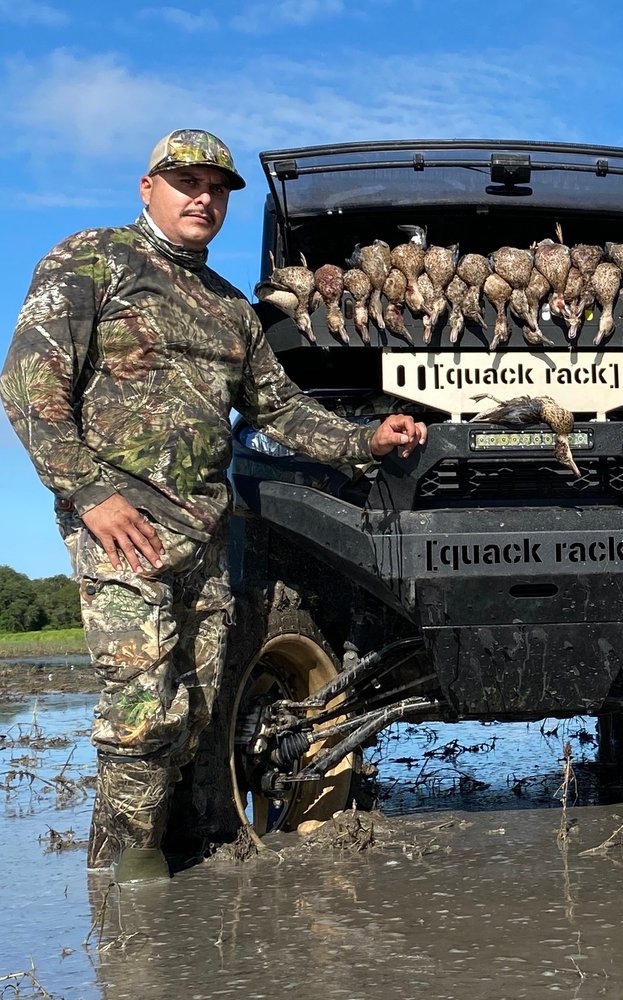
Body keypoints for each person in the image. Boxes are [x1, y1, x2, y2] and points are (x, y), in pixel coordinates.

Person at [0, 129, 428, 881]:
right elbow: (29, 388)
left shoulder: (231, 307)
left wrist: (368, 440)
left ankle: (175, 861)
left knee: (198, 712)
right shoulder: (91, 259)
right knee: (142, 714)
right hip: (120, 527)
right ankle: (124, 883)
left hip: (205, 528)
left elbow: (281, 411)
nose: (203, 197)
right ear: (147, 187)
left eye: (217, 188)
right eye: (185, 181)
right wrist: (88, 492)